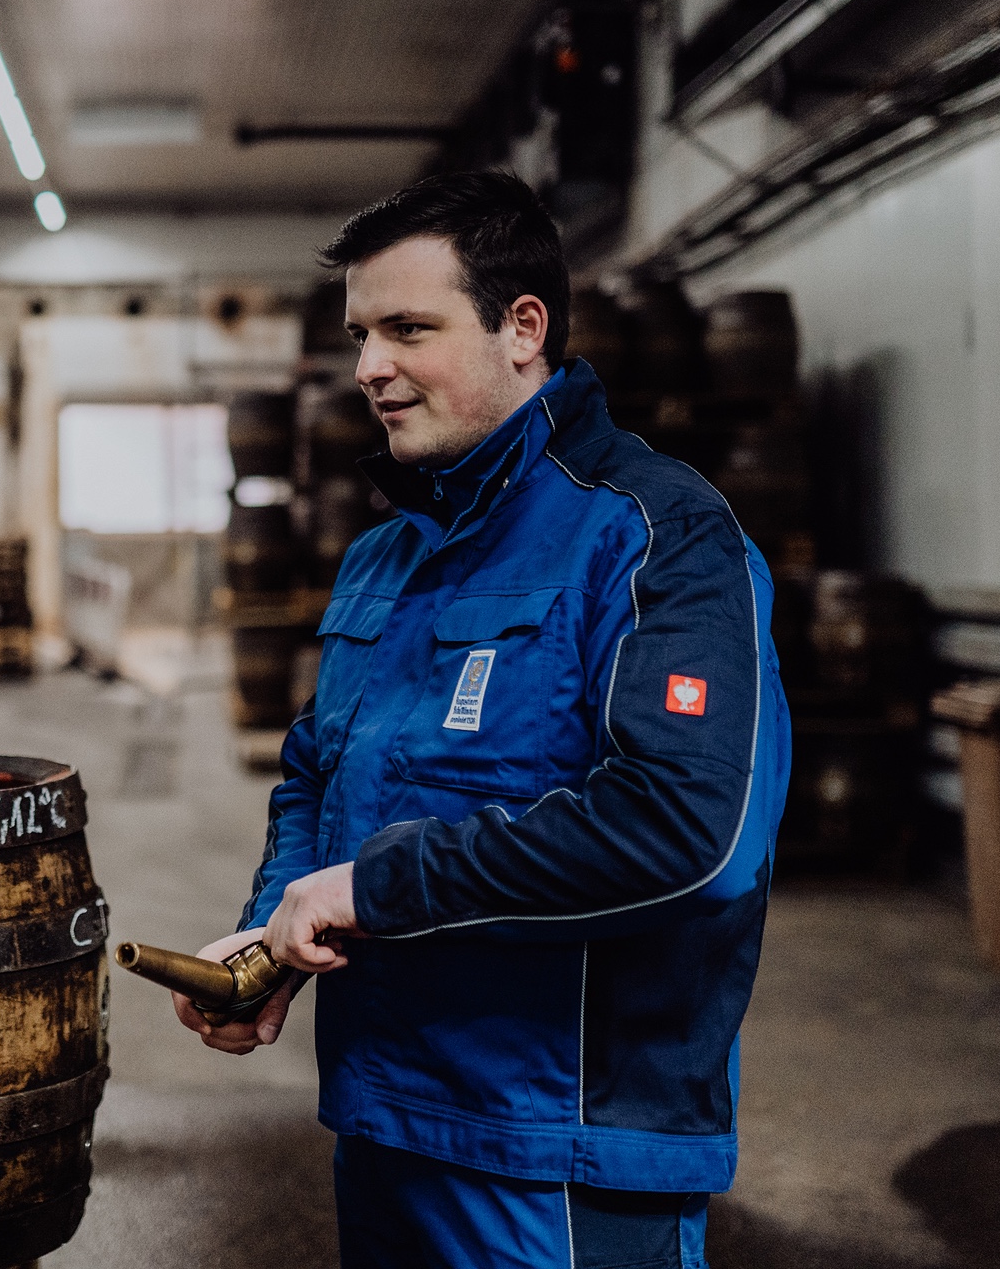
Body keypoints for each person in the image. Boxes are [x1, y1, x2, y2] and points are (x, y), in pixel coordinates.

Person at [174, 170, 792, 1268]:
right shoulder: (386, 553)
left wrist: (373, 887)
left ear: (523, 328)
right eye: (362, 332)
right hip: (383, 1116)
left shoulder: (656, 534)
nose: (370, 366)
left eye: (410, 327)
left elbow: (691, 834)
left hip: (559, 1151)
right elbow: (320, 767)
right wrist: (271, 931)